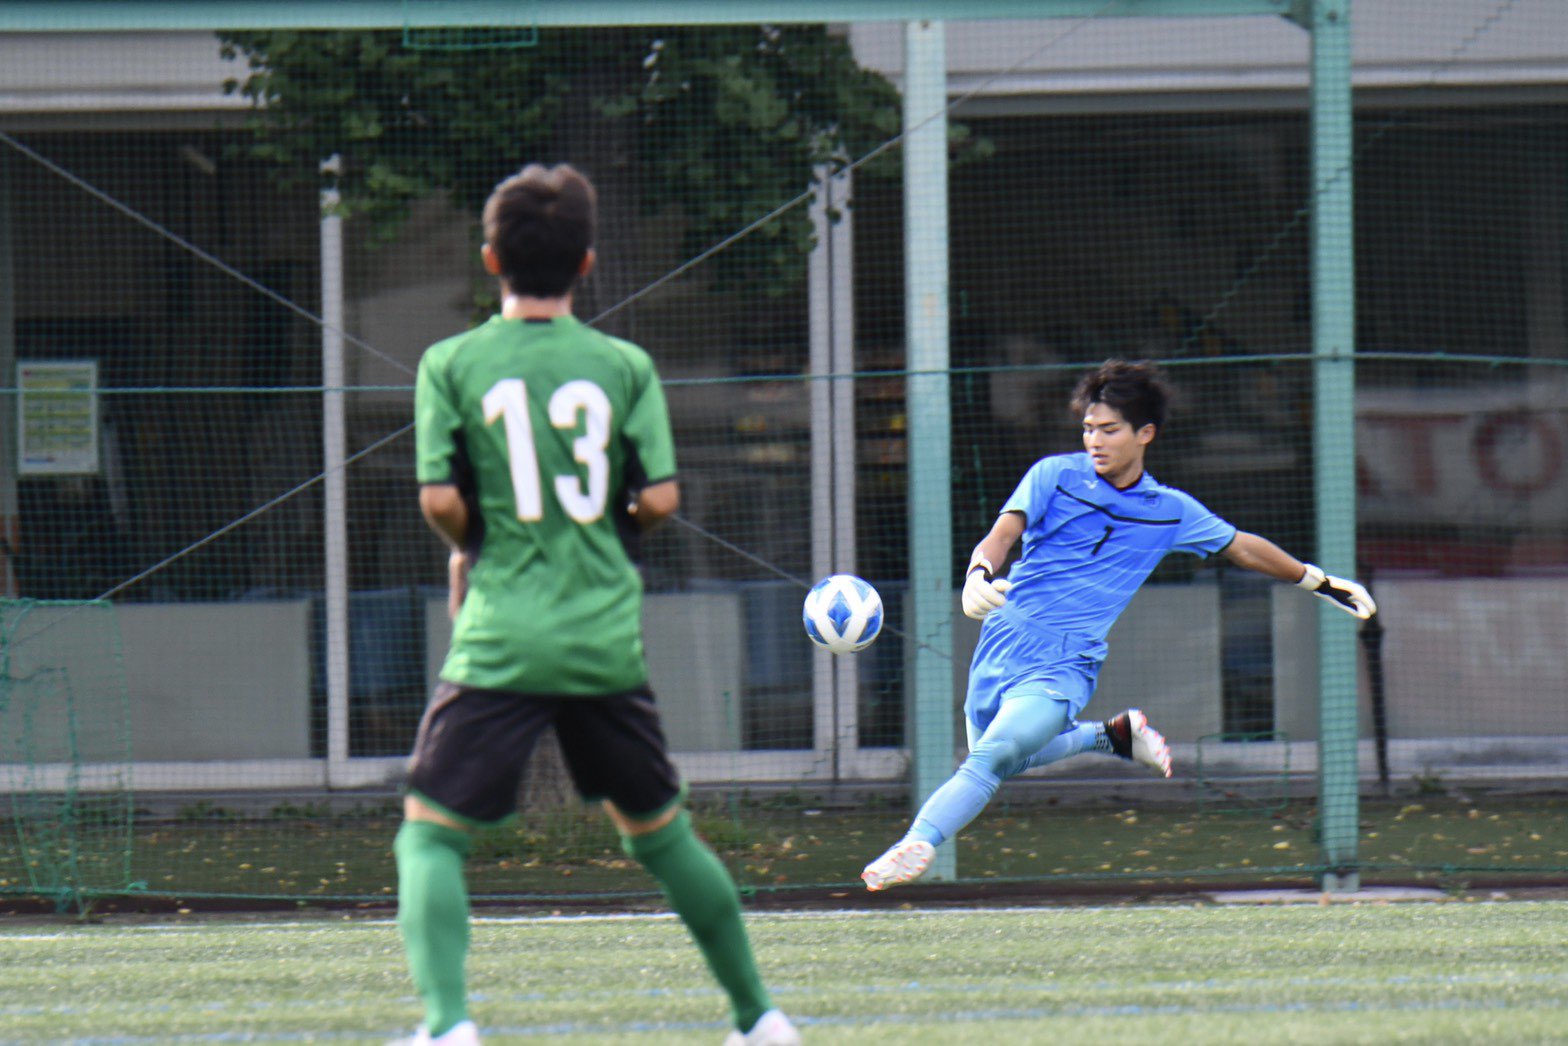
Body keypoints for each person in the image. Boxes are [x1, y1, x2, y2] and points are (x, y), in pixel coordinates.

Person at [395, 163, 800, 1046]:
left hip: (500, 637)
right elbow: (658, 498)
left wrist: (484, 537)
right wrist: (603, 520)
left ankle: (448, 1025)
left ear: (491, 257)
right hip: (601, 642)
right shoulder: (622, 366)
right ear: (586, 263)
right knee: (659, 835)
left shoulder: (451, 364)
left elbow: (436, 501)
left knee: (430, 834)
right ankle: (757, 1018)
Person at [861, 359, 1376, 891]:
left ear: (1144, 434)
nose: (1095, 440)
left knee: (992, 757)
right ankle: (1110, 736)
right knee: (1008, 758)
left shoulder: (1169, 510)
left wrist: (1318, 580)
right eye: (1088, 428)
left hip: (1065, 662)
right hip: (1001, 644)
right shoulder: (1053, 476)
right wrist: (978, 571)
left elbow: (1242, 546)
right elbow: (1003, 532)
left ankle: (916, 842)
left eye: (1109, 430)